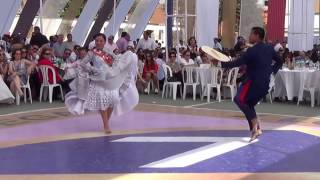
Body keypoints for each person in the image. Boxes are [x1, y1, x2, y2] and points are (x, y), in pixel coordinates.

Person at [221, 27, 282, 142]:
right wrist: (272, 71)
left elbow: (237, 62)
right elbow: (280, 61)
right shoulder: (269, 48)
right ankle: (256, 129)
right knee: (248, 104)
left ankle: (255, 123)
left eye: (251, 34)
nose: (249, 36)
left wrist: (221, 63)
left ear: (257, 35)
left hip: (252, 83)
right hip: (265, 85)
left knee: (239, 99)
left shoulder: (252, 51)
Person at [65, 33, 134, 134]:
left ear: (104, 42)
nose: (98, 42)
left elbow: (116, 60)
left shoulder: (108, 51)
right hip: (98, 80)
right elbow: (83, 63)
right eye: (97, 40)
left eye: (101, 41)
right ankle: (106, 125)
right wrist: (92, 69)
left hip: (109, 78)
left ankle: (106, 121)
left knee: (113, 99)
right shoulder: (91, 53)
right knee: (102, 100)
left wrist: (116, 67)